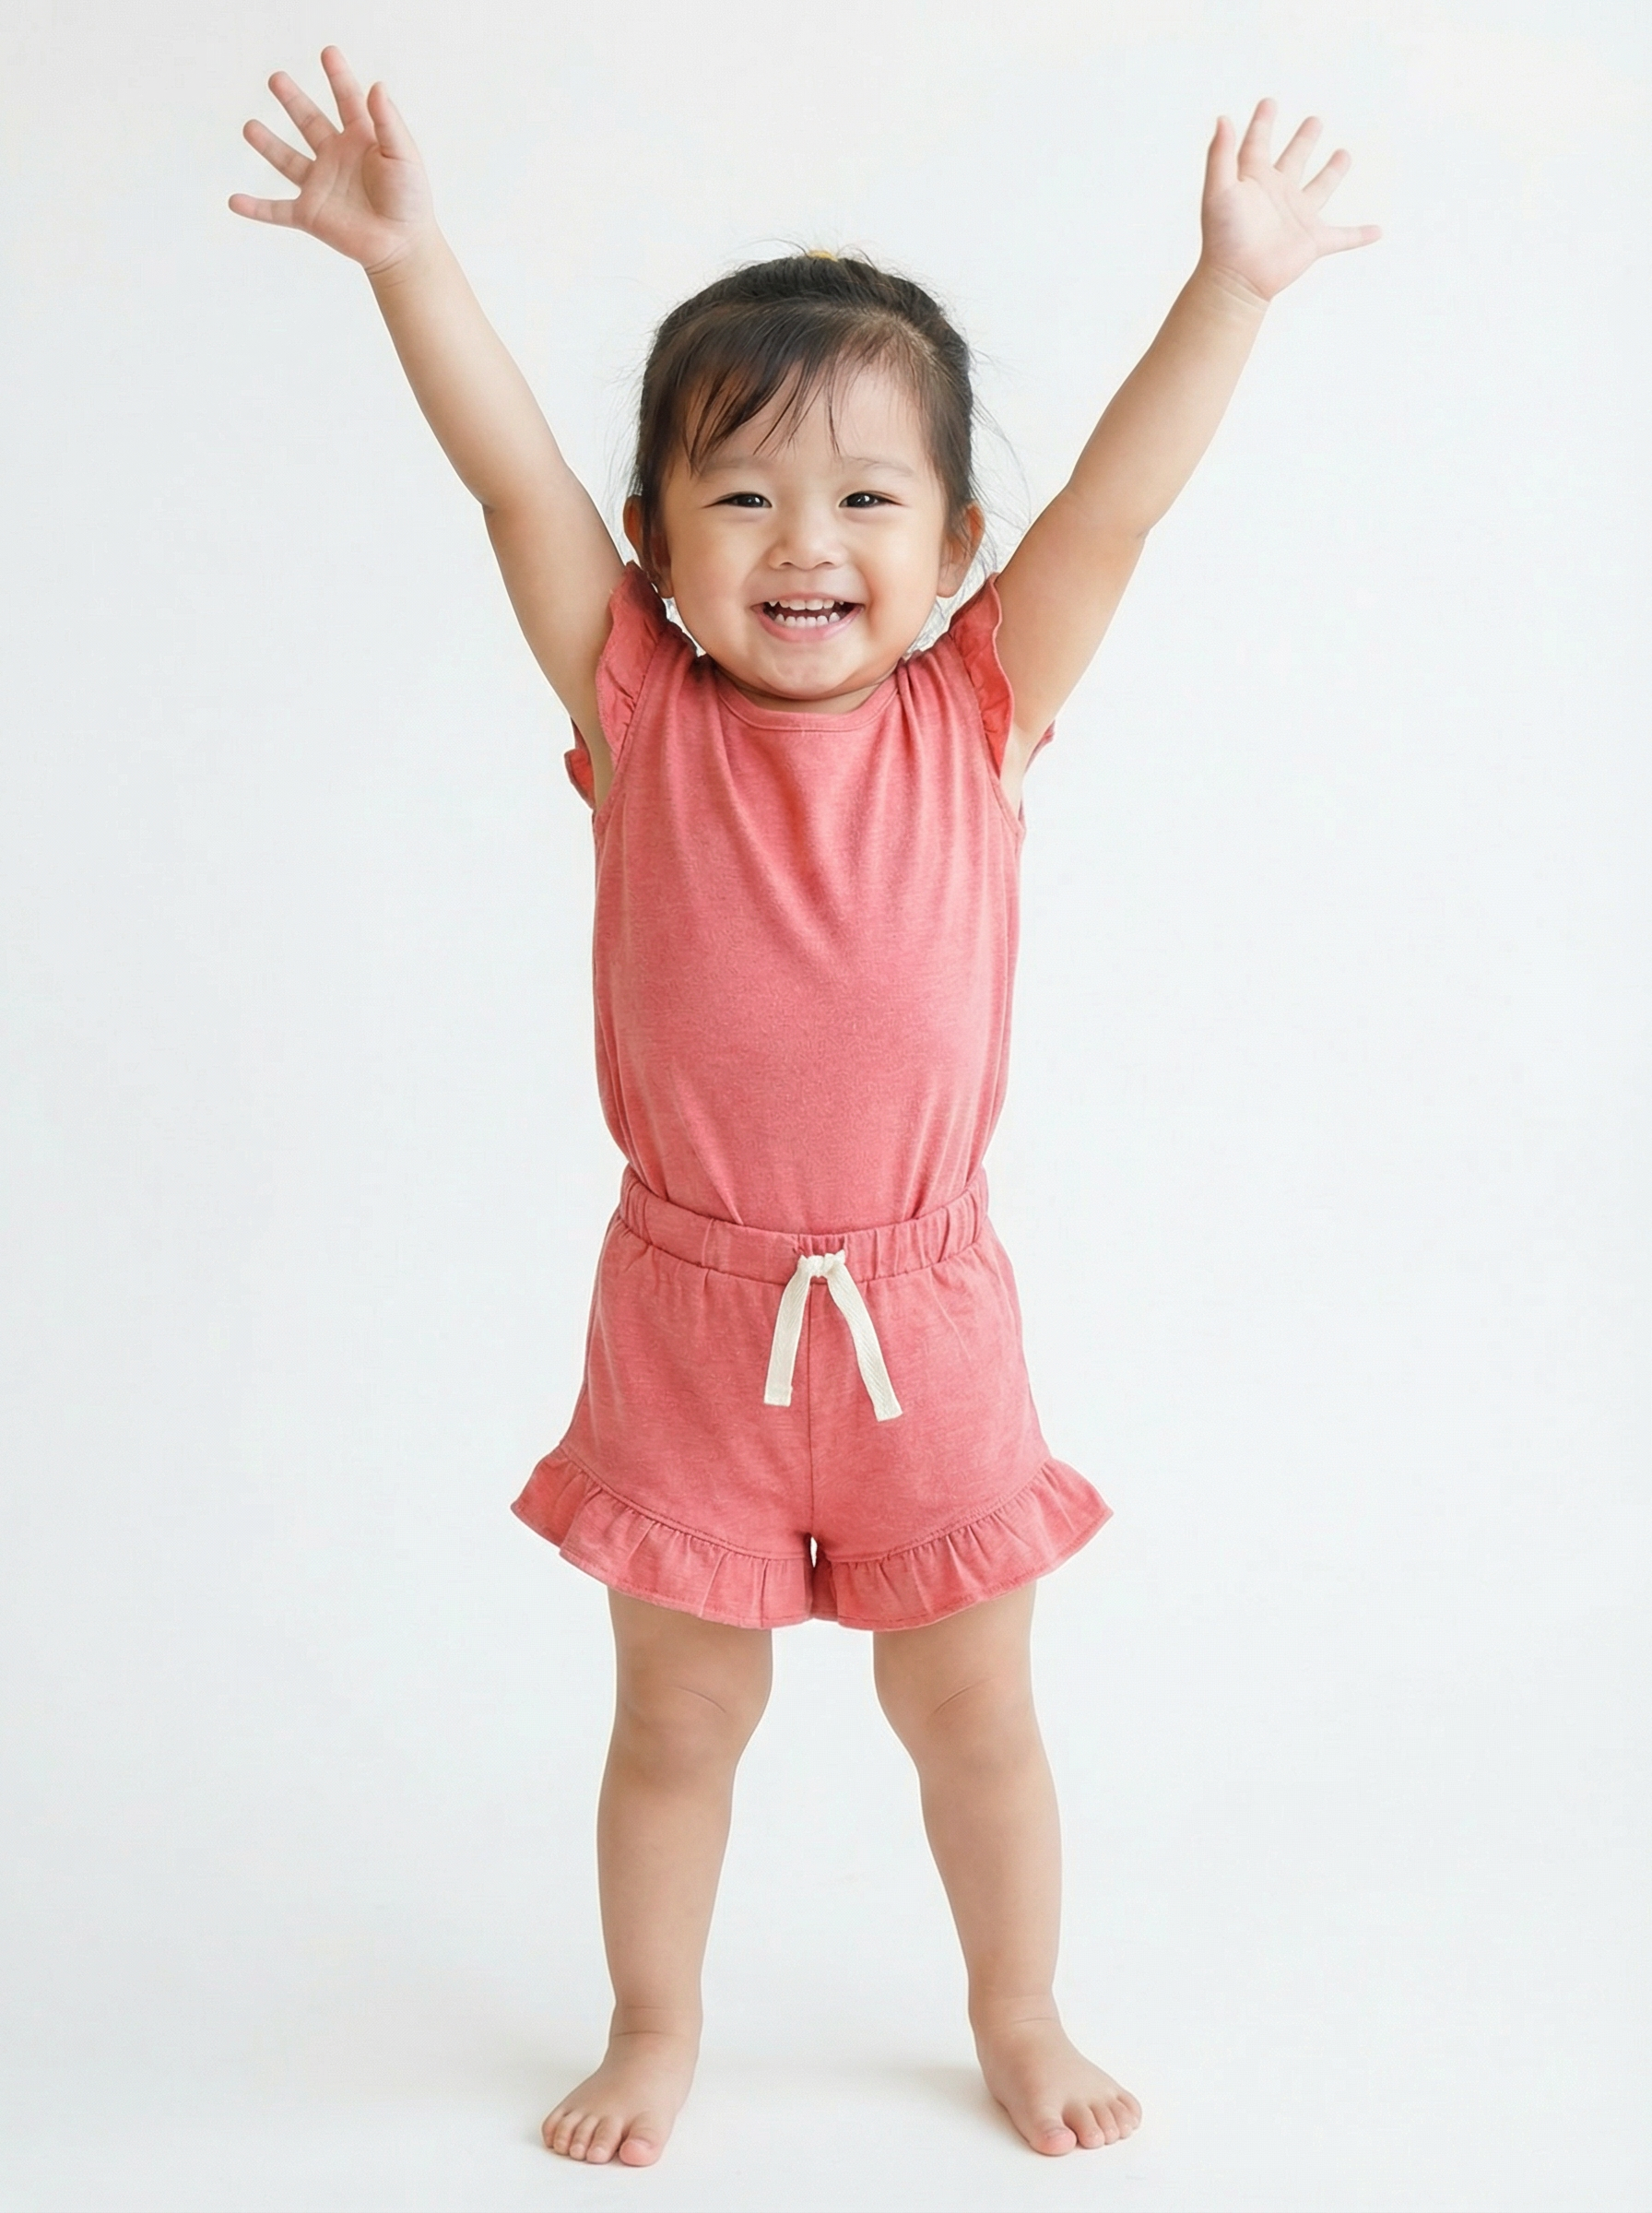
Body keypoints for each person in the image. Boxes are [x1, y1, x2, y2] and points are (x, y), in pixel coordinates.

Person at [230, 49, 1378, 2169]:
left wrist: (1228, 288)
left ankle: (1016, 2012)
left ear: (951, 543)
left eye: (864, 498)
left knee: (972, 1712)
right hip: (688, 1320)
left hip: (925, 1317)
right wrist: (408, 261)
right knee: (678, 1714)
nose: (804, 542)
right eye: (741, 496)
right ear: (657, 543)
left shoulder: (980, 703)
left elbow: (1116, 504)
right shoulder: (639, 710)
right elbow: (509, 488)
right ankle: (653, 2025)